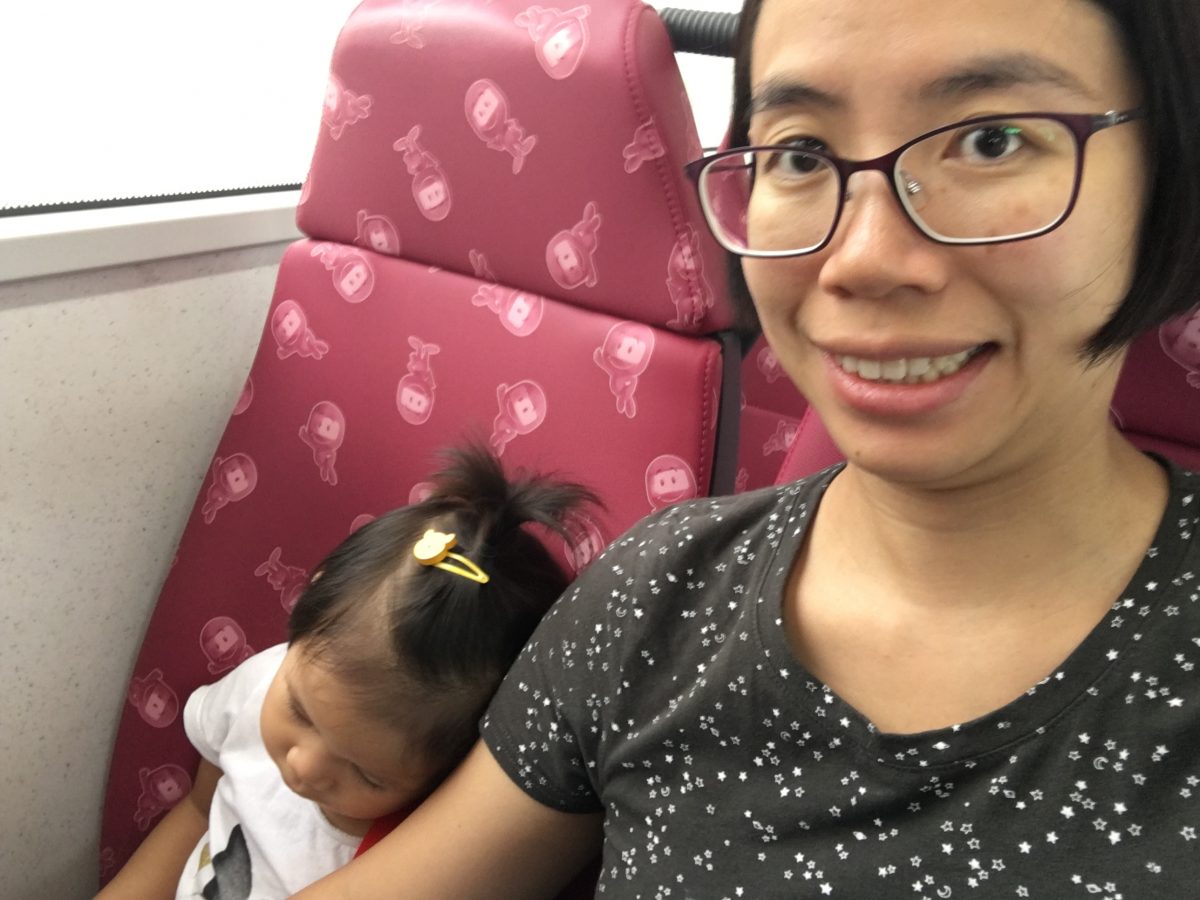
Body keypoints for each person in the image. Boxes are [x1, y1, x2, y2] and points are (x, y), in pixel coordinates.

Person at [292, 0, 1200, 896]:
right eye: (799, 154)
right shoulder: (658, 593)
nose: (863, 259)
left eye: (991, 141)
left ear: (1169, 176)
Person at [96, 444, 596, 898]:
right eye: (299, 711)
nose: (304, 766)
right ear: (309, 595)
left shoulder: (420, 848)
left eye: (366, 774)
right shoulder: (260, 684)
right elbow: (198, 810)